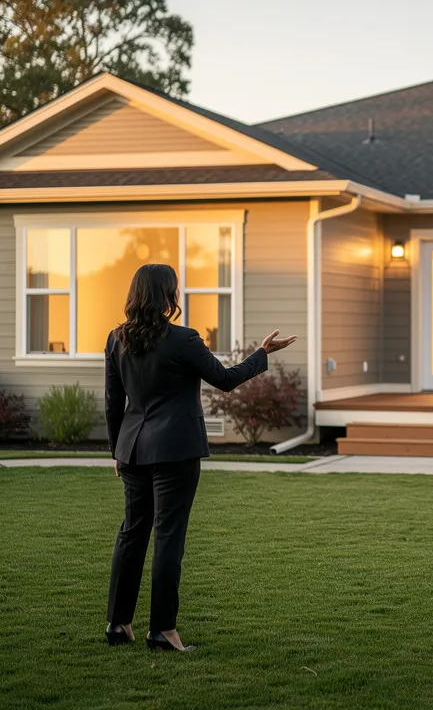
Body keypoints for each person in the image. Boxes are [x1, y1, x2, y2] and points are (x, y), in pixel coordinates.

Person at [102, 263, 296, 652]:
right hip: (176, 451)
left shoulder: (115, 339)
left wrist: (117, 451)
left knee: (132, 534)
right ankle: (163, 631)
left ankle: (118, 623)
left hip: (134, 450)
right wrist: (262, 353)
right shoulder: (183, 339)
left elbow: (112, 403)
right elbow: (225, 380)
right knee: (167, 537)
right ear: (168, 296)